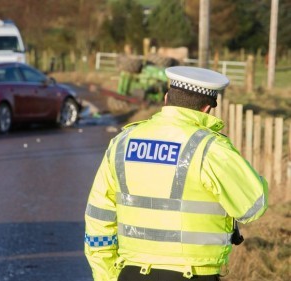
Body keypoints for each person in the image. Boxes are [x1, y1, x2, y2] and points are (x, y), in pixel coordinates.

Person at [84, 66, 268, 281]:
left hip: (130, 273)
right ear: (207, 108)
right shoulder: (210, 149)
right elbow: (254, 206)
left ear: (165, 98)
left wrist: (107, 275)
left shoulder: (122, 142)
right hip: (194, 274)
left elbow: (98, 218)